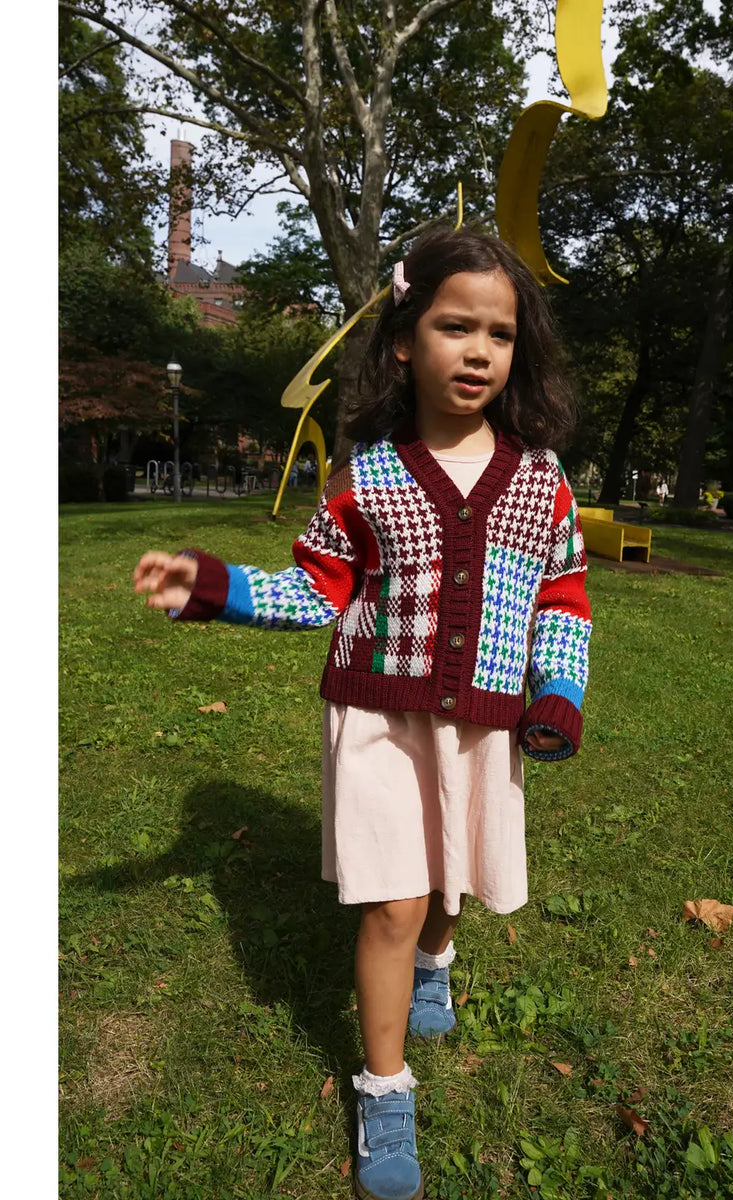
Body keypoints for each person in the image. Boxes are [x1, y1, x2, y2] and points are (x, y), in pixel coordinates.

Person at [133, 227, 592, 1200]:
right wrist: (211, 587)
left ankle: (439, 958)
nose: (478, 351)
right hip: (379, 719)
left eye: (500, 334)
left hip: (483, 721)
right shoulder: (366, 479)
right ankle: (385, 1088)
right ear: (403, 343)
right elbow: (314, 589)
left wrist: (557, 688)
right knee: (394, 899)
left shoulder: (541, 482)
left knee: (450, 877)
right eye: (454, 326)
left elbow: (563, 599)